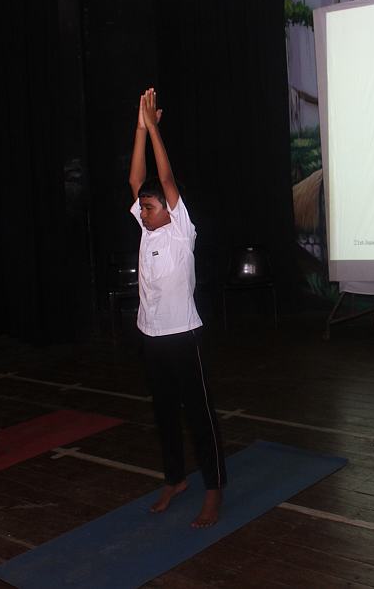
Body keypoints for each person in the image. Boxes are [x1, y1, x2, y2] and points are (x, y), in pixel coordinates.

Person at [128, 88, 226, 528]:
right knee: (164, 412)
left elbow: (164, 178)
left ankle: (214, 488)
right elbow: (137, 180)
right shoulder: (147, 231)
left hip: (183, 336)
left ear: (169, 209)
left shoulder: (180, 230)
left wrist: (154, 130)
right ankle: (175, 479)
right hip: (151, 337)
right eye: (143, 209)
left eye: (149, 208)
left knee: (199, 415)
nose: (144, 214)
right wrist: (138, 128)